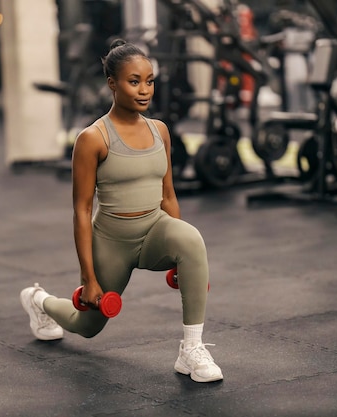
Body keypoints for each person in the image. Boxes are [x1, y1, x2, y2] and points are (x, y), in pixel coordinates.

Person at [20, 39, 223, 383]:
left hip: (153, 229)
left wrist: (181, 258)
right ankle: (39, 301)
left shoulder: (160, 131)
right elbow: (81, 211)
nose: (144, 90)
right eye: (134, 81)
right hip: (112, 240)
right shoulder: (92, 138)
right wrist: (88, 279)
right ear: (112, 84)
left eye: (150, 81)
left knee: (191, 239)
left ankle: (191, 350)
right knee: (87, 326)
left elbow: (168, 194)